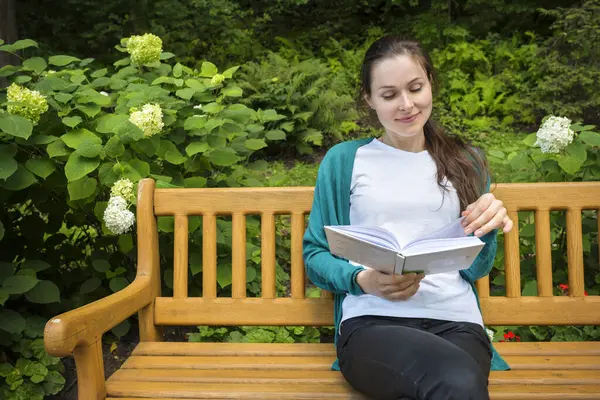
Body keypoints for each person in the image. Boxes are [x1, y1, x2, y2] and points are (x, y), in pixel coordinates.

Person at [302, 35, 514, 400]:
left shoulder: (467, 161)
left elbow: (476, 269)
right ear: (369, 99)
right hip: (372, 323)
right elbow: (315, 255)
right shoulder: (345, 161)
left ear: (431, 82)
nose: (407, 105)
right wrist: (362, 279)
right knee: (455, 380)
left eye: (416, 88)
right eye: (389, 95)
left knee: (453, 380)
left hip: (457, 322)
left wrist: (488, 228)